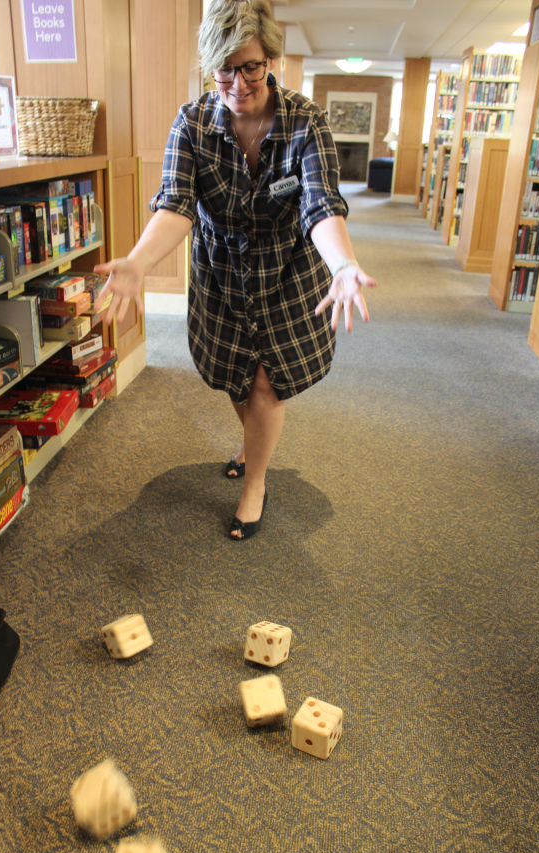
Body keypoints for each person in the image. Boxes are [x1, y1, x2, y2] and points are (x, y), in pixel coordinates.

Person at [93, 0, 377, 541]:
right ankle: (252, 441)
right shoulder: (193, 122)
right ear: (211, 66)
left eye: (250, 66)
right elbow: (175, 204)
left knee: (268, 383)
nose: (239, 82)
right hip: (221, 272)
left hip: (288, 270)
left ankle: (256, 481)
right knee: (235, 374)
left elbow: (320, 204)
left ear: (270, 59)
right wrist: (138, 261)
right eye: (226, 68)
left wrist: (343, 262)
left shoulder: (305, 120)